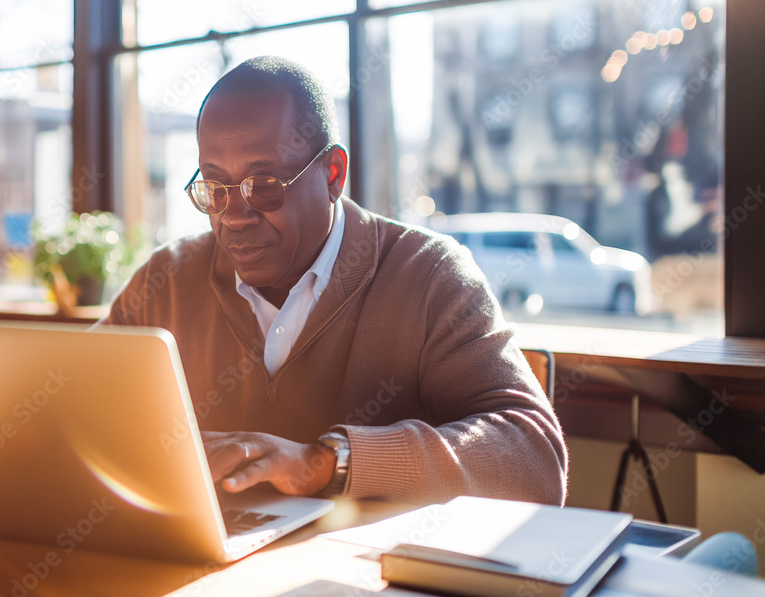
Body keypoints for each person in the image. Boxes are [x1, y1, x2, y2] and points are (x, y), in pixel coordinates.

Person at [99, 56, 567, 505]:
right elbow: (76, 405)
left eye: (263, 186)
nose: (233, 218)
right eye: (216, 188)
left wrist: (327, 463)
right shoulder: (168, 280)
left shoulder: (428, 273)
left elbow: (535, 459)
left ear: (333, 174)